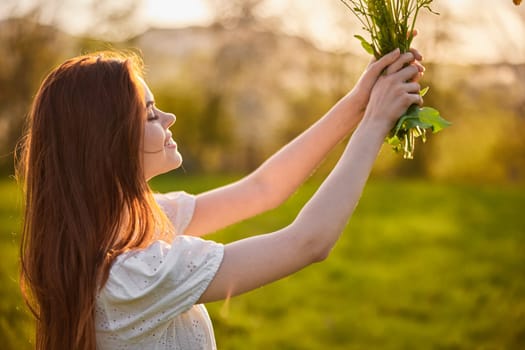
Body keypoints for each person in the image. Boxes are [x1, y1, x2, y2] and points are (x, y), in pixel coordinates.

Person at [17, 46, 424, 349]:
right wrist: (374, 123)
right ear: (108, 144)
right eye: (150, 113)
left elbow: (263, 189)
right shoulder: (131, 274)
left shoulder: (129, 222)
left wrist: (358, 103)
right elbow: (308, 242)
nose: (169, 118)